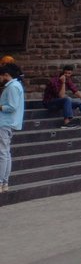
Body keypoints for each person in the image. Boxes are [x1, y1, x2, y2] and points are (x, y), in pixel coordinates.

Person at [0, 62, 25, 194]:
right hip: (8, 123)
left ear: (6, 75)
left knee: (3, 154)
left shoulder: (12, 87)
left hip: (5, 123)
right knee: (5, 153)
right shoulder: (15, 85)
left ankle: (2, 182)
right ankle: (4, 182)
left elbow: (11, 106)